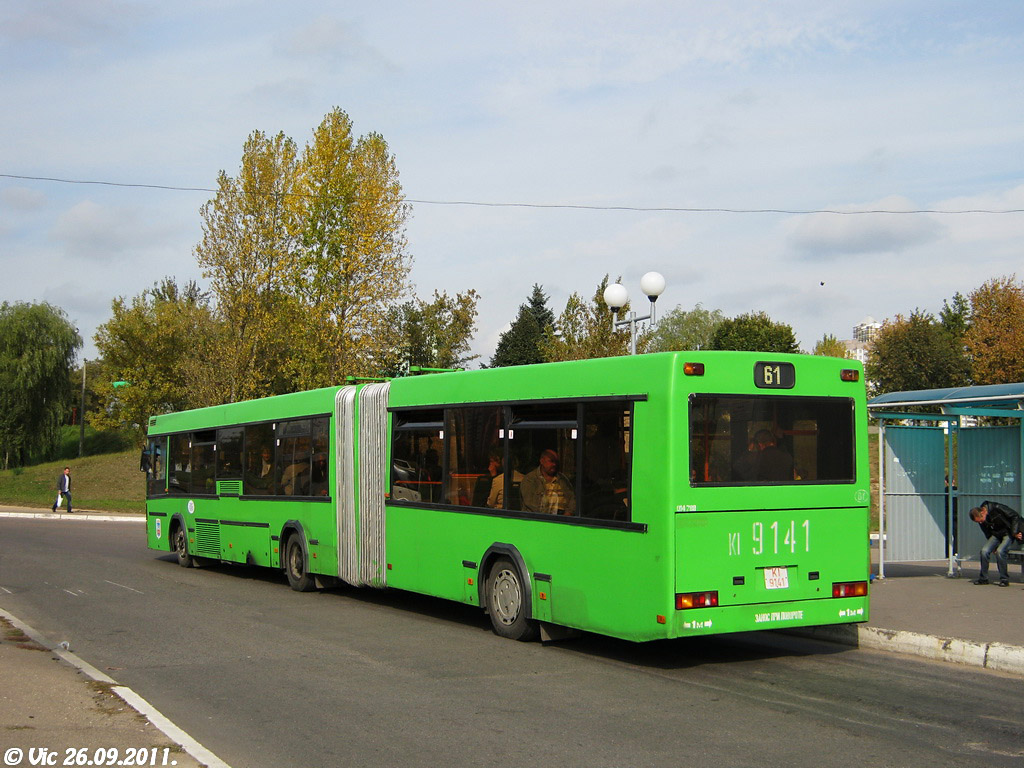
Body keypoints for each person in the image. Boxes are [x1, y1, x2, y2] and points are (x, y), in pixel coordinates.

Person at [969, 500, 1023, 586]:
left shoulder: (997, 507)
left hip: (1008, 532)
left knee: (1000, 551)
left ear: (983, 512)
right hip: (996, 534)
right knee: (984, 551)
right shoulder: (981, 518)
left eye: (981, 520)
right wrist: (993, 547)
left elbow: (1015, 516)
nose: (980, 522)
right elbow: (987, 532)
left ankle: (1004, 579)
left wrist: (1014, 532)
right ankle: (983, 578)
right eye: (978, 522)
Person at [521, 449, 575, 516]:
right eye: (551, 461)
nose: (554, 464)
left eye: (556, 462)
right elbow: (530, 504)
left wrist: (567, 514)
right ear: (542, 461)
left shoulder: (563, 479)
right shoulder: (530, 479)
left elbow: (572, 499)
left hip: (562, 520)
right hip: (538, 520)